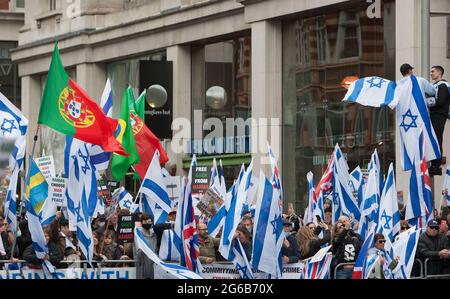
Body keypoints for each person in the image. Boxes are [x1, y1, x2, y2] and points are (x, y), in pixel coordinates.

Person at [428, 65, 450, 175]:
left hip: (439, 115)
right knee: (432, 137)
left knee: (436, 137)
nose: (431, 73)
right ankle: (433, 162)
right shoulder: (433, 86)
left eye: (433, 71)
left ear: (439, 73)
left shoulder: (443, 85)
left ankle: (436, 164)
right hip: (432, 115)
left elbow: (441, 100)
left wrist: (428, 103)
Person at [134, 214, 158, 279]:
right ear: (141, 222)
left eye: (149, 222)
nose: (147, 223)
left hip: (151, 265)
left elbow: (155, 250)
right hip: (142, 263)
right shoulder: (138, 234)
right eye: (145, 221)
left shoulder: (154, 235)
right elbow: (138, 251)